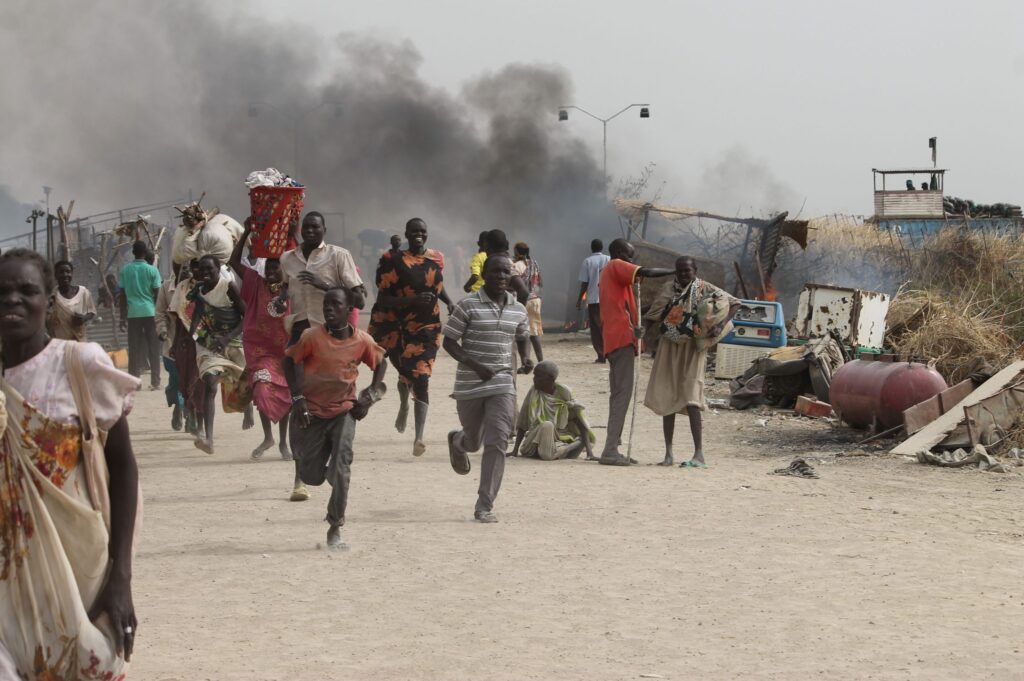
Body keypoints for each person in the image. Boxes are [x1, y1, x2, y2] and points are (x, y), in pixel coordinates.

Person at [0, 249, 140, 679]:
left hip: (82, 569)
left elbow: (124, 470)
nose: (14, 301)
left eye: (28, 291)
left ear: (49, 300)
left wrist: (121, 579)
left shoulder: (80, 364)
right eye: (2, 292)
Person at [284, 287, 387, 549]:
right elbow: (290, 361)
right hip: (312, 414)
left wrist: (371, 396)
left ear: (348, 309)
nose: (329, 309)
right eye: (326, 305)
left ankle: (335, 527)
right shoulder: (311, 337)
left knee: (342, 469)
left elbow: (381, 361)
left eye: (335, 305)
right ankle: (328, 472)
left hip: (344, 411)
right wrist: (297, 398)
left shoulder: (362, 341)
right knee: (311, 476)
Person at [277, 211, 365, 501]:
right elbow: (282, 292)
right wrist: (279, 299)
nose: (311, 231)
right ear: (301, 230)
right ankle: (299, 478)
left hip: (331, 340)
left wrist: (323, 285)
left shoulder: (338, 256)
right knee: (297, 401)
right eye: (308, 227)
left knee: (331, 403)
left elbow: (359, 298)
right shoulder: (287, 259)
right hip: (301, 336)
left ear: (324, 230)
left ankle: (330, 462)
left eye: (317, 227)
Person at [443, 254, 533, 523]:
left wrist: (527, 357)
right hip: (470, 385)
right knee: (474, 442)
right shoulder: (467, 305)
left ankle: (485, 504)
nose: (501, 277)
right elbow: (448, 342)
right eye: (496, 271)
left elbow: (523, 335)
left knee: (498, 440)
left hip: (503, 383)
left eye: (506, 272)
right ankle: (459, 441)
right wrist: (474, 364)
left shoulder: (518, 308)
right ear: (484, 272)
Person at [368, 218, 454, 458]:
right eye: (414, 231)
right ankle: (404, 402)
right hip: (395, 324)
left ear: (427, 234)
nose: (418, 235)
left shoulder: (437, 258)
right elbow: (383, 298)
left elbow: (436, 284)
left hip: (426, 326)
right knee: (406, 372)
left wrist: (449, 302)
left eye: (422, 231)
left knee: (422, 376)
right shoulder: (393, 260)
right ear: (406, 234)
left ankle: (419, 437)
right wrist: (412, 300)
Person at [643, 256, 740, 468]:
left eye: (687, 271)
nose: (684, 274)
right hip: (670, 345)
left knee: (692, 396)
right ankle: (668, 454)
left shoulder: (706, 288)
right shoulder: (669, 289)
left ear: (695, 270)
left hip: (694, 348)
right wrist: (641, 335)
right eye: (680, 271)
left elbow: (734, 304)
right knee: (667, 393)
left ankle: (699, 454)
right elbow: (654, 313)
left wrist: (720, 324)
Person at [598, 238, 674, 466]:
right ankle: (610, 449)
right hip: (620, 339)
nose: (632, 261)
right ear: (620, 253)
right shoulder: (615, 266)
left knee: (619, 394)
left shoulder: (617, 279)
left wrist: (642, 320)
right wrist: (674, 270)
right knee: (622, 395)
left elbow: (627, 310)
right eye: (630, 256)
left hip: (621, 337)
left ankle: (614, 444)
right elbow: (647, 272)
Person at [230, 220, 293, 461]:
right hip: (260, 351)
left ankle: (284, 443)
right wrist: (246, 232)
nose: (272, 273)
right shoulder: (256, 283)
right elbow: (234, 262)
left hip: (285, 351)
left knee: (286, 394)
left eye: (276, 269)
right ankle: (268, 436)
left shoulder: (291, 287)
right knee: (263, 390)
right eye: (269, 269)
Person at [187, 254, 248, 454]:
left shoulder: (228, 287)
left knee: (247, 383)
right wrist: (199, 337)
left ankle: (248, 409)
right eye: (202, 270)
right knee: (210, 383)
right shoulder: (198, 293)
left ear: (218, 269)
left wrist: (227, 338)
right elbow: (195, 321)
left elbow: (246, 316)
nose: (205, 273)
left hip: (233, 341)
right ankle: (209, 439)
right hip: (210, 344)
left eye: (209, 270)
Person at [510, 360, 595, 461]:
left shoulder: (564, 393)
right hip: (534, 441)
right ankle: (571, 447)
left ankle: (557, 450)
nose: (534, 379)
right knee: (547, 426)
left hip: (557, 439)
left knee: (547, 437)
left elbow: (580, 422)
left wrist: (590, 453)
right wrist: (515, 450)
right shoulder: (533, 392)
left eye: (538, 376)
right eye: (534, 375)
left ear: (550, 379)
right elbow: (523, 422)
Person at [119, 240, 162, 389]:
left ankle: (135, 382)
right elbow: (157, 294)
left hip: (133, 314)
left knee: (134, 348)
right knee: (153, 348)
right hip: (150, 312)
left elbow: (122, 295)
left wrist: (121, 316)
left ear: (133, 253)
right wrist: (160, 314)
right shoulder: (152, 270)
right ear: (145, 253)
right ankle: (155, 382)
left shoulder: (125, 270)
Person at [155, 264, 184, 431]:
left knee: (192, 382)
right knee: (176, 381)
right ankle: (177, 406)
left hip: (194, 344)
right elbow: (160, 313)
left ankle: (189, 413)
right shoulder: (166, 287)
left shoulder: (200, 285)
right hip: (171, 344)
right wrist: (162, 331)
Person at [577, 239, 610, 362]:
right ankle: (609, 352)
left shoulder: (587, 261)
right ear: (602, 247)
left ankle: (601, 355)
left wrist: (579, 299)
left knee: (596, 328)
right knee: (607, 326)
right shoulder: (609, 259)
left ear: (591, 248)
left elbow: (584, 283)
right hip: (608, 299)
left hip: (594, 299)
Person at [47, 259, 97, 341]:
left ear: (72, 274)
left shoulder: (83, 292)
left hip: (79, 339)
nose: (65, 275)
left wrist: (84, 318)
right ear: (55, 275)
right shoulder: (52, 296)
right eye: (61, 272)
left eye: (68, 271)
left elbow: (92, 312)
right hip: (60, 343)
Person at [512, 241, 544, 362]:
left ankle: (525, 361)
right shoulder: (535, 263)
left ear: (517, 252)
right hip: (536, 299)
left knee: (522, 332)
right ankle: (540, 360)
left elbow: (515, 284)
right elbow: (540, 282)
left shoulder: (517, 265)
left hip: (523, 300)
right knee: (534, 332)